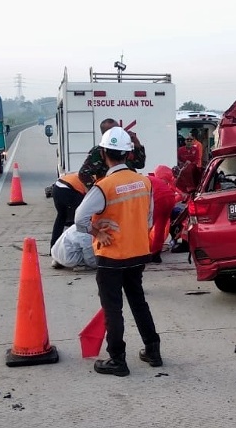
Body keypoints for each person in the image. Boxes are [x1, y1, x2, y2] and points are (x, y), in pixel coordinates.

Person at [73, 126, 161, 377]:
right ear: (128, 154)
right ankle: (153, 351)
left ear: (103, 153)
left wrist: (96, 232)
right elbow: (149, 220)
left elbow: (80, 217)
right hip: (138, 253)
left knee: (113, 308)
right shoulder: (144, 182)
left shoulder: (104, 186)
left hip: (111, 256)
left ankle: (117, 360)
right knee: (138, 301)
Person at [77, 118, 146, 188]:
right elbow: (83, 173)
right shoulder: (99, 151)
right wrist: (99, 189)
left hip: (129, 186)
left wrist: (137, 145)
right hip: (112, 188)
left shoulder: (125, 146)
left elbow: (139, 164)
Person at [49, 171, 88, 268]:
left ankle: (53, 250)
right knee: (80, 220)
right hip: (69, 190)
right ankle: (69, 252)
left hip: (57, 188)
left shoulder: (86, 171)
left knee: (61, 217)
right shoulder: (97, 178)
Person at [147, 166, 179, 264]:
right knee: (160, 228)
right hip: (170, 199)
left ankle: (142, 252)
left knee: (146, 226)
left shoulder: (143, 181)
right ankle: (156, 254)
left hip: (159, 200)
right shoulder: (155, 180)